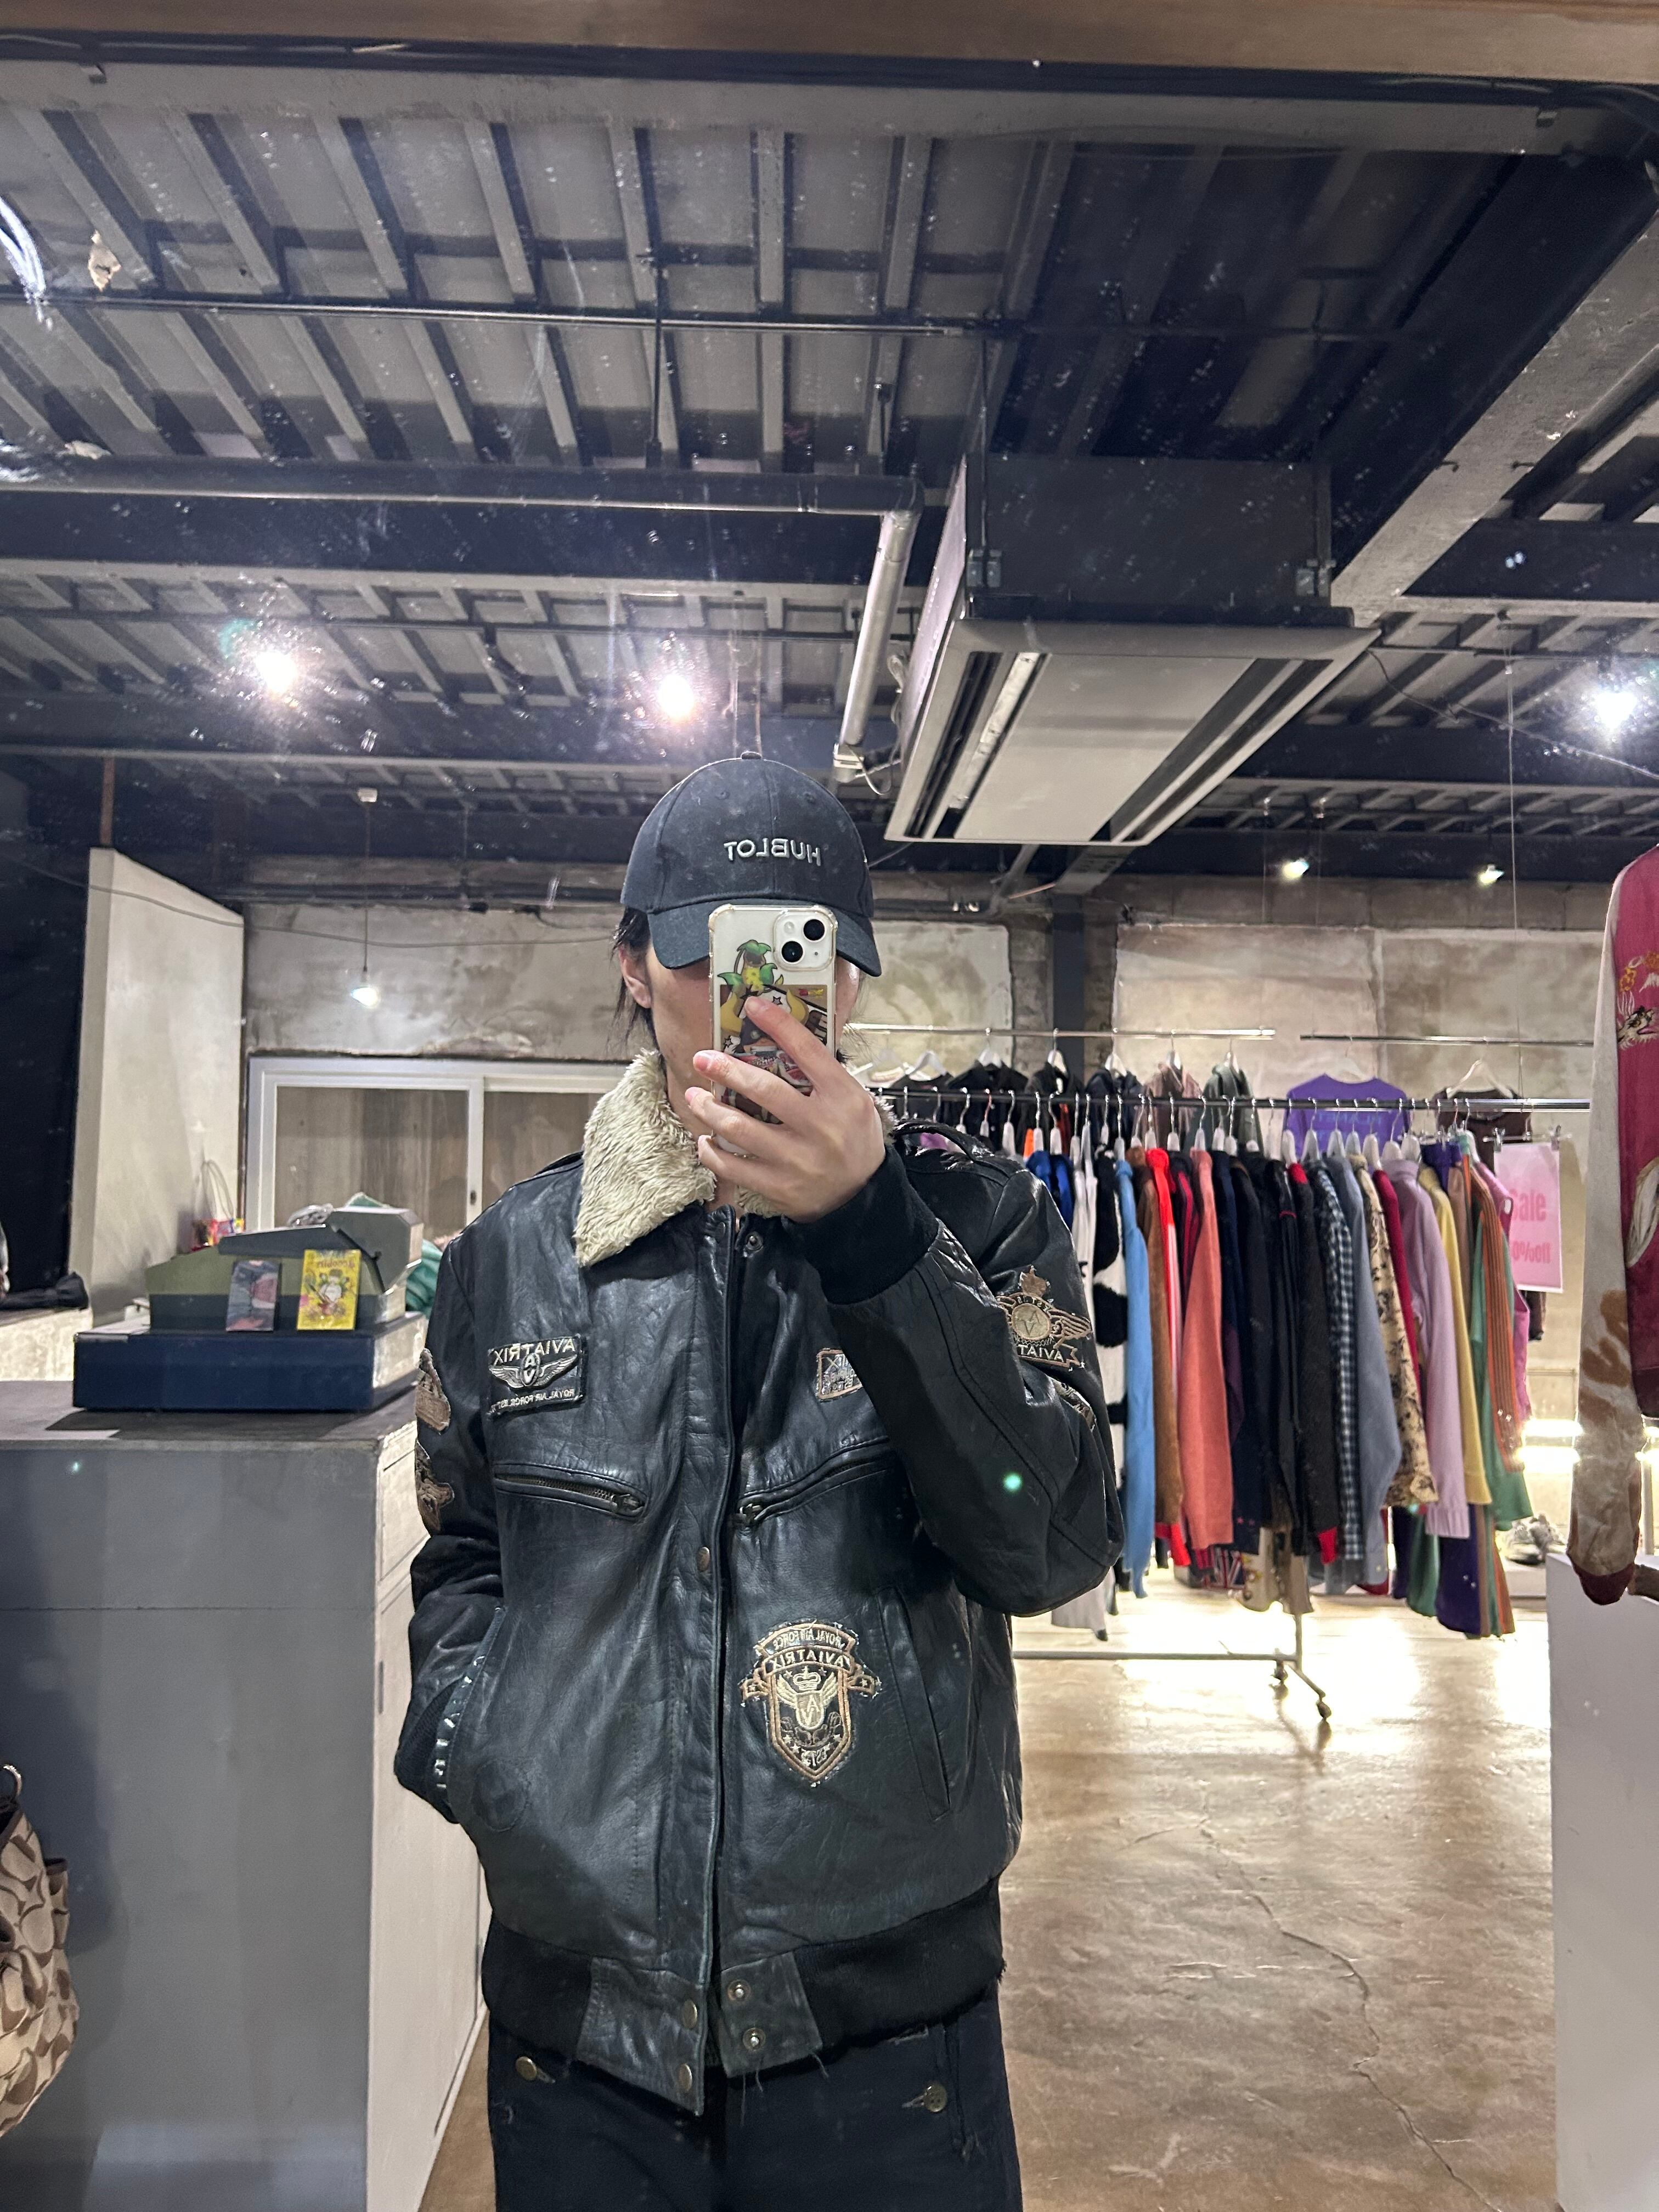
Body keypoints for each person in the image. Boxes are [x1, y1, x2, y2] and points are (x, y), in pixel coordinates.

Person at [396, 753, 1120, 2210]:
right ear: (632, 967)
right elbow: (461, 1551)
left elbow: (1049, 1544)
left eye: (800, 957)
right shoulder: (514, 1259)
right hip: (578, 2023)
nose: (761, 1004)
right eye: (707, 958)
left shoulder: (977, 1222)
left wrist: (875, 1239)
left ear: (850, 975)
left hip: (887, 2027)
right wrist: (485, 1751)